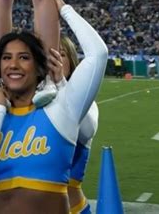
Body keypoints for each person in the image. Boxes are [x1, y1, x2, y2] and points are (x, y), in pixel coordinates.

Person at [0, 0, 107, 214]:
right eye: (6, 58)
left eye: (24, 57)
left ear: (39, 66)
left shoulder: (61, 109)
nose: (14, 65)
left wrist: (64, 10)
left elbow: (98, 54)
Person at [60, 35, 98, 214]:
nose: (55, 60)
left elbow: (87, 131)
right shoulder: (31, 101)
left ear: (72, 61)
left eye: (61, 54)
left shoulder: (85, 101)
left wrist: (61, 85)